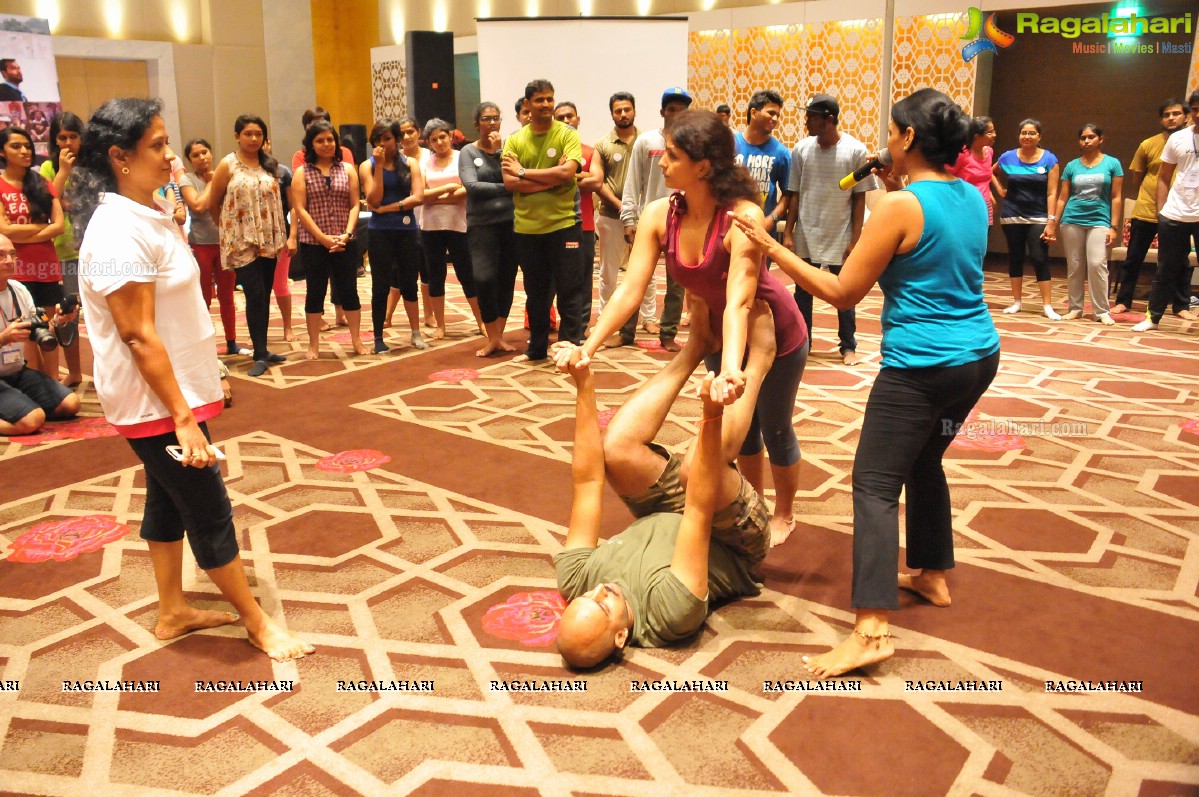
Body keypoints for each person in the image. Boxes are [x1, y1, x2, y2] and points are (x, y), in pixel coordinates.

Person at [731, 87, 1000, 679]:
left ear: (907, 139)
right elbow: (923, 233)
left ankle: (872, 630)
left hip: (921, 367)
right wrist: (888, 184)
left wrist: (773, 246)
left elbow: (840, 291)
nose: (884, 141)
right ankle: (930, 573)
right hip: (978, 359)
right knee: (924, 463)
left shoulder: (897, 207)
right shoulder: (970, 197)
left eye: (891, 132)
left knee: (874, 484)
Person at [70, 97, 313, 662]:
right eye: (156, 145)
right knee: (206, 505)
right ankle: (257, 623)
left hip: (177, 388)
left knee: (166, 497)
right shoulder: (113, 233)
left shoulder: (146, 212)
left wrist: (210, 376)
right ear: (119, 157)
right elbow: (136, 335)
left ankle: (172, 610)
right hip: (154, 401)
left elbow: (178, 318)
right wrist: (182, 415)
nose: (170, 155)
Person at [578, 109, 809, 546]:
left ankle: (785, 511)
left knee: (775, 426)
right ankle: (751, 497)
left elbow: (741, 299)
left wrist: (733, 369)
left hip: (769, 330)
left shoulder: (742, 216)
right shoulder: (659, 213)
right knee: (741, 433)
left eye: (671, 155)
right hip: (715, 330)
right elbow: (630, 290)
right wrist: (588, 345)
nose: (661, 162)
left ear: (702, 165)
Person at [552, 301, 775, 668]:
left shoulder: (576, 581)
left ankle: (696, 347)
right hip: (730, 538)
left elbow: (588, 480)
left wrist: (584, 384)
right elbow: (699, 511)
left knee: (616, 450)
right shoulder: (670, 613)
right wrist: (711, 414)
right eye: (602, 605)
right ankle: (760, 362)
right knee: (693, 467)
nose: (599, 590)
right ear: (621, 636)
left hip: (668, 510)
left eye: (585, 597)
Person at [785, 93, 878, 366]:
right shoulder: (801, 149)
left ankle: (848, 346)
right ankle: (804, 342)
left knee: (845, 292)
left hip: (840, 231)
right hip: (807, 229)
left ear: (828, 119)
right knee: (803, 291)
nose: (806, 123)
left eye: (811, 117)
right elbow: (794, 193)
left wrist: (855, 239)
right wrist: (789, 232)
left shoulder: (856, 150)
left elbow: (859, 197)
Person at [501, 79, 587, 363]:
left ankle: (570, 348)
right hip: (527, 229)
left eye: (550, 99)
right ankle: (536, 349)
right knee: (536, 293)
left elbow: (567, 174)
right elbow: (510, 183)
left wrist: (525, 172)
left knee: (569, 290)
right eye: (540, 100)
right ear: (527, 104)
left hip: (564, 225)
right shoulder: (514, 140)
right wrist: (552, 178)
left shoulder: (567, 134)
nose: (547, 105)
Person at [199, 114, 290, 376]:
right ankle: (259, 353)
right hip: (242, 242)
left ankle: (263, 348)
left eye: (258, 134)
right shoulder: (228, 164)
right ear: (237, 136)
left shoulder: (270, 164)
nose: (253, 139)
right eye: (248, 134)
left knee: (265, 292)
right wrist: (228, 230)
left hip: (269, 239)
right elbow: (212, 203)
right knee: (254, 293)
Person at [620, 87, 694, 351]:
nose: (677, 114)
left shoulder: (692, 145)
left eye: (682, 109)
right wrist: (629, 218)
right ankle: (626, 332)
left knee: (677, 284)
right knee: (636, 278)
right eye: (672, 109)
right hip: (648, 222)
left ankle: (668, 334)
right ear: (662, 111)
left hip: (683, 222)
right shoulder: (646, 142)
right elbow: (632, 182)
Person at [1112, 99, 1193, 318]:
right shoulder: (1148, 144)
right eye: (1166, 114)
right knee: (1133, 258)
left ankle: (1181, 306)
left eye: (1176, 113)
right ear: (1161, 119)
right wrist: (1149, 198)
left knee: (1181, 261)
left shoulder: (1190, 142)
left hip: (1178, 212)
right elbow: (1137, 177)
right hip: (1146, 211)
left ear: (1186, 116)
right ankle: (1123, 301)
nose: (1171, 118)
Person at [293, 120, 364, 359]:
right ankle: (314, 345)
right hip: (314, 243)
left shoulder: (348, 169)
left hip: (345, 241)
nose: (326, 144)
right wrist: (322, 238)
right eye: (320, 140)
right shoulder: (302, 172)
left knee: (349, 292)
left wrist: (347, 233)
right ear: (311, 144)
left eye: (330, 139)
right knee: (315, 292)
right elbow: (300, 209)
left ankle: (356, 340)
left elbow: (355, 204)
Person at [0, 126, 65, 379]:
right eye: (16, 146)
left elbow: (58, 226)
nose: (25, 151)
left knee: (50, 325)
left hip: (47, 265)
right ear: (2, 152)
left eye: (27, 146)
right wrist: (43, 228)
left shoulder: (43, 183)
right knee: (25, 329)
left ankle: (53, 381)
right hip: (14, 266)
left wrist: (21, 232)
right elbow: (3, 230)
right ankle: (35, 380)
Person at [593, 91, 655, 348]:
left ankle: (649, 318)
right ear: (612, 114)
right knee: (609, 271)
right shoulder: (603, 145)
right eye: (618, 110)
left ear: (634, 111)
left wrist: (638, 212)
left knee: (646, 270)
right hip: (611, 217)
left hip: (646, 219)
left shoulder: (648, 142)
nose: (623, 114)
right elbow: (598, 182)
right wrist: (623, 208)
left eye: (627, 109)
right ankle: (606, 317)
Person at [0, 232, 79, 435]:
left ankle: (19, 404)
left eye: (12, 254)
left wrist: (59, 321)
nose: (9, 261)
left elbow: (41, 330)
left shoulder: (19, 289)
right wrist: (4, 338)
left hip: (16, 370)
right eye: (1, 255)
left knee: (71, 404)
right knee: (32, 420)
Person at [1133, 92, 1199, 333]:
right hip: (1175, 213)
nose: (1198, 114)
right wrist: (1162, 212)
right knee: (1166, 268)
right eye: (1194, 109)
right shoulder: (1178, 139)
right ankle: (1153, 318)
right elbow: (1163, 176)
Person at [1044, 123, 1123, 325]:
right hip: (1072, 220)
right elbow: (1062, 197)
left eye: (1091, 137)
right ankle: (1075, 308)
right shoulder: (1072, 166)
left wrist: (1114, 226)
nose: (1086, 141)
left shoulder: (1112, 164)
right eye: (1083, 138)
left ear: (1100, 139)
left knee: (1097, 264)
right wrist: (1053, 222)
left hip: (1100, 219)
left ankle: (1101, 311)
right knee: (1075, 265)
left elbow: (1116, 197)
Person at [361, 118, 426, 354]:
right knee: (381, 285)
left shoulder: (410, 163)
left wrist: (390, 208)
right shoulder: (367, 166)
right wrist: (379, 166)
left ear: (397, 140)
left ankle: (415, 333)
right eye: (377, 139)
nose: (382, 144)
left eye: (387, 138)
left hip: (407, 230)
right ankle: (378, 337)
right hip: (380, 232)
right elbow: (373, 200)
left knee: (410, 282)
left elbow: (418, 197)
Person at [460, 102, 519, 357]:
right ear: (477, 124)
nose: (492, 123)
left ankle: (499, 336)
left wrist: (499, 153)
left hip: (512, 223)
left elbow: (515, 178)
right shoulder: (467, 152)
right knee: (484, 278)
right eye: (486, 118)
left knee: (507, 278)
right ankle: (491, 335)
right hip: (481, 225)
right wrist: (506, 187)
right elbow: (472, 186)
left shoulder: (507, 150)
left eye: (496, 118)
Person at [178, 138, 243, 357]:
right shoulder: (186, 179)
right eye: (195, 155)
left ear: (211, 153)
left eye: (204, 152)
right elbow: (197, 206)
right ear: (190, 159)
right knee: (203, 296)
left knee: (227, 296)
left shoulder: (222, 175)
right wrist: (212, 184)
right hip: (201, 244)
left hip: (225, 243)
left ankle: (232, 341)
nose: (201, 157)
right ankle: (204, 345)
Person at [420, 117, 483, 340]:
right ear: (428, 142)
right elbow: (420, 196)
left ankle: (480, 322)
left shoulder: (462, 157)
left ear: (451, 136)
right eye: (434, 139)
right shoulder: (424, 163)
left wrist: (435, 197)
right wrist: (448, 189)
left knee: (467, 274)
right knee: (435, 275)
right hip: (431, 226)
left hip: (460, 224)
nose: (439, 142)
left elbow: (468, 188)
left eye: (442, 136)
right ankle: (441, 325)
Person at [993, 119, 1061, 319]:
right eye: (1024, 132)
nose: (1027, 136)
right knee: (1015, 257)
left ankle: (1047, 306)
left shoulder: (1049, 159)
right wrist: (1000, 190)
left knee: (1039, 258)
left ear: (1039, 136)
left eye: (1032, 133)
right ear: (1019, 135)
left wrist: (1051, 221)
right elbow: (991, 172)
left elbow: (1052, 193)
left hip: (1039, 216)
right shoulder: (1008, 157)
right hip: (1012, 214)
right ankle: (1017, 301)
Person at [39, 111, 85, 385]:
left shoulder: (93, 165)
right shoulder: (48, 168)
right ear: (55, 140)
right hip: (65, 251)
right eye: (62, 137)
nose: (68, 143)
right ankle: (76, 373)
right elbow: (47, 204)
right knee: (68, 315)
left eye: (73, 137)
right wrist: (64, 171)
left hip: (95, 247)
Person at [554, 101, 601, 327]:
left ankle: (580, 328)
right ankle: (558, 325)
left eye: (569, 116)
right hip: (553, 225)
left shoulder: (590, 152)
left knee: (582, 279)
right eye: (560, 117)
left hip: (584, 225)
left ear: (578, 119)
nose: (566, 121)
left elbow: (597, 181)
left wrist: (564, 175)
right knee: (557, 279)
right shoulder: (550, 151)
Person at [735, 89, 790, 247]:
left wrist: (771, 219)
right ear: (753, 112)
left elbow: (788, 195)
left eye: (778, 115)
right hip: (728, 229)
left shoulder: (781, 153)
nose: (775, 119)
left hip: (762, 233)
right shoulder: (729, 144)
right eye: (771, 113)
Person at [946, 116, 1001, 225]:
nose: (994, 135)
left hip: (985, 205)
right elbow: (945, 177)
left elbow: (984, 179)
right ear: (976, 137)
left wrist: (990, 194)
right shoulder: (962, 154)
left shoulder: (989, 152)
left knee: (983, 240)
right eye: (989, 133)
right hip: (964, 205)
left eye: (993, 131)